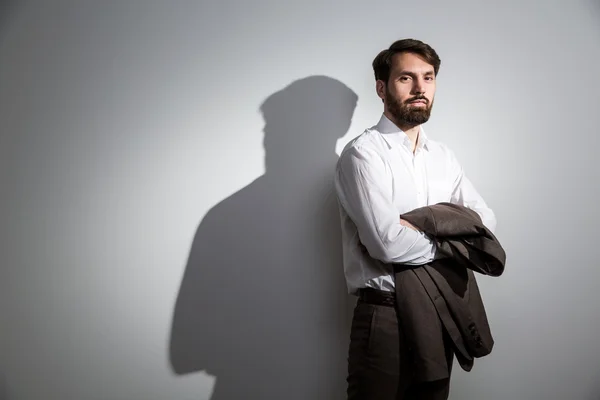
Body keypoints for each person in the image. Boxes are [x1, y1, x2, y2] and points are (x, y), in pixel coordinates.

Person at [334, 38, 497, 399]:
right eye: (406, 78)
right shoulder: (364, 155)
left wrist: (421, 225)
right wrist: (452, 237)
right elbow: (387, 243)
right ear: (382, 87)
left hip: (441, 312)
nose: (421, 88)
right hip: (386, 318)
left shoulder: (442, 156)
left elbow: (484, 223)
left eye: (429, 77)